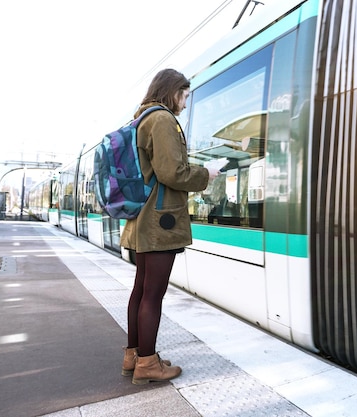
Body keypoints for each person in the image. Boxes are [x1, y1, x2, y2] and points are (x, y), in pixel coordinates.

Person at [119, 68, 220, 385]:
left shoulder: (141, 119)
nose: (186, 103)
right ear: (172, 91)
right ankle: (147, 364)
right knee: (153, 295)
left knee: (140, 291)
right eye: (184, 95)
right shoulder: (162, 120)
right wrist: (207, 174)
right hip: (158, 221)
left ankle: (134, 355)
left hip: (141, 221)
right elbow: (172, 172)